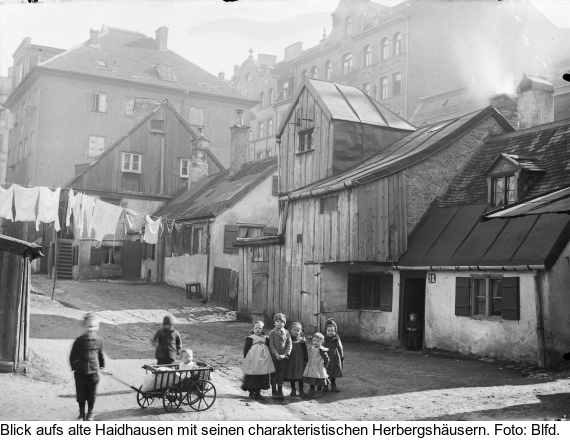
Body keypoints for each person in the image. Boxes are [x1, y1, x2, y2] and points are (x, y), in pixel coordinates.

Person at [69, 313, 105, 421]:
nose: (91, 329)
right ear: (84, 326)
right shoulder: (79, 341)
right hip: (80, 372)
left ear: (97, 327)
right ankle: (81, 413)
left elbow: (100, 354)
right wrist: (74, 367)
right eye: (89, 326)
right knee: (81, 392)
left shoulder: (99, 340)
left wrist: (102, 366)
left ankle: (90, 413)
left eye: (94, 326)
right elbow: (72, 355)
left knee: (91, 393)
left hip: (94, 372)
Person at [241, 320, 275, 400]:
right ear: (253, 328)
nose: (258, 330)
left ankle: (258, 392)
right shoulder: (251, 338)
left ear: (263, 329)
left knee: (262, 373)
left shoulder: (265, 338)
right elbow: (246, 348)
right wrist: (246, 358)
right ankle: (252, 391)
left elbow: (269, 347)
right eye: (256, 328)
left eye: (260, 328)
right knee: (253, 373)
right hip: (253, 358)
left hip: (263, 359)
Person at [268, 313, 292, 400]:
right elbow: (271, 344)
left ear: (284, 323)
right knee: (274, 374)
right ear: (274, 323)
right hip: (274, 358)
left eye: (281, 322)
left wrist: (285, 355)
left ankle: (280, 390)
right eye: (277, 321)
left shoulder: (287, 333)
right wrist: (276, 354)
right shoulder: (272, 333)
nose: (279, 323)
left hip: (283, 358)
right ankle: (274, 391)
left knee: (281, 374)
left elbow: (289, 344)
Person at [284, 322, 308, 397]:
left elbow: (305, 350)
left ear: (300, 331)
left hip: (300, 361)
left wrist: (305, 360)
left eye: (298, 330)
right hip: (291, 360)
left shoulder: (302, 341)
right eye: (294, 329)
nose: (296, 331)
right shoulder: (288, 339)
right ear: (290, 330)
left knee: (300, 375)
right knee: (292, 374)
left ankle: (301, 390)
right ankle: (293, 389)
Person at [303, 332, 329, 399]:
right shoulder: (311, 348)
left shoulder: (321, 349)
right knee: (312, 378)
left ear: (322, 342)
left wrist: (324, 366)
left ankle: (319, 391)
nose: (316, 342)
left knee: (319, 379)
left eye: (318, 341)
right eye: (314, 340)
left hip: (319, 367)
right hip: (312, 366)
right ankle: (312, 390)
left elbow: (326, 359)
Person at [323, 318, 344, 392]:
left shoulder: (336, 339)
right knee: (325, 370)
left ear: (335, 331)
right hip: (326, 357)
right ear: (326, 331)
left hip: (334, 357)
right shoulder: (324, 339)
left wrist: (341, 355)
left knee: (333, 371)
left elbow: (340, 347)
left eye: (332, 331)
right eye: (329, 331)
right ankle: (325, 385)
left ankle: (333, 385)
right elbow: (322, 347)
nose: (330, 332)